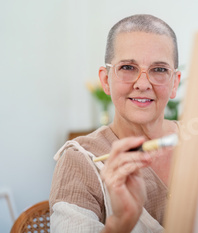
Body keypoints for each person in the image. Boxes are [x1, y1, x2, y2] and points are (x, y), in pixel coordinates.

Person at [49, 14, 181, 232]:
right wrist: (120, 223)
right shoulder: (82, 159)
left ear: (174, 83)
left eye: (159, 70)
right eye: (128, 67)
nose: (143, 83)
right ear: (105, 80)